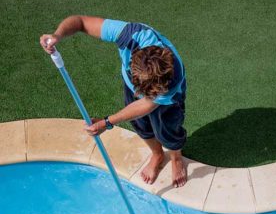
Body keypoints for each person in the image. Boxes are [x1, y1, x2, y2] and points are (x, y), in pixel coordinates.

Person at [40, 15, 187, 187]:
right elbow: (80, 22)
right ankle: (157, 154)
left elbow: (146, 105)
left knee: (168, 132)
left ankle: (176, 158)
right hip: (135, 84)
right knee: (141, 125)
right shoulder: (128, 34)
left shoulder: (172, 77)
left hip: (167, 101)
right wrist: (58, 35)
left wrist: (107, 122)